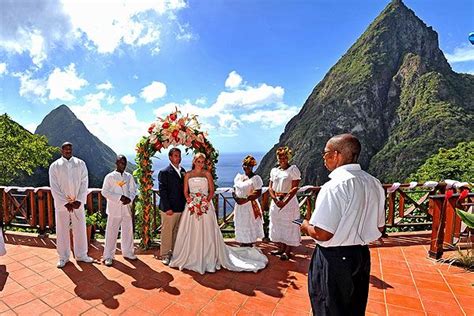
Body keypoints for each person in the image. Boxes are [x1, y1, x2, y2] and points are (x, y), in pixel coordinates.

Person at [300, 134, 385, 316]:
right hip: (361, 255)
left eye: (325, 153)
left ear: (336, 155)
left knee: (328, 308)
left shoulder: (335, 186)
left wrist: (306, 225)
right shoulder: (373, 183)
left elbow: (323, 234)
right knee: (354, 308)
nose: (323, 158)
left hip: (334, 259)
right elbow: (380, 228)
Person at [169, 153, 268, 274]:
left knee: (208, 231)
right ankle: (190, 256)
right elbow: (185, 191)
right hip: (191, 207)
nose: (200, 164)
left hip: (206, 206)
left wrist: (205, 201)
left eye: (202, 162)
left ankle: (208, 256)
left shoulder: (207, 174)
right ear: (194, 161)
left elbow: (211, 191)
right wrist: (190, 202)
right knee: (190, 231)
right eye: (198, 161)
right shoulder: (188, 174)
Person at [49, 142, 93, 268]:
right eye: (65, 149)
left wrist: (79, 200)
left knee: (80, 228)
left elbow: (84, 182)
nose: (68, 151)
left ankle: (81, 255)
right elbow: (54, 186)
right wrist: (64, 202)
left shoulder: (80, 164)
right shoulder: (55, 166)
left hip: (77, 204)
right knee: (62, 230)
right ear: (61, 150)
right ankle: (63, 257)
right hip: (62, 205)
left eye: (70, 149)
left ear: (72, 150)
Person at [101, 155, 138, 266]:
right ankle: (108, 256)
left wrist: (130, 199)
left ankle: (128, 252)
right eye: (121, 163)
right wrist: (119, 197)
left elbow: (133, 190)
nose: (123, 165)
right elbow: (105, 192)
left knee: (127, 231)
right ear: (116, 163)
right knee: (111, 233)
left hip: (126, 209)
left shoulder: (129, 177)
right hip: (114, 209)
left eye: (124, 163)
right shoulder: (110, 177)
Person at [268, 146, 301, 260]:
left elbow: (294, 188)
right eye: (280, 157)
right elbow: (270, 188)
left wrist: (284, 201)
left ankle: (288, 251)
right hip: (276, 202)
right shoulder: (274, 171)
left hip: (289, 202)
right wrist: (275, 200)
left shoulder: (293, 170)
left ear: (288, 158)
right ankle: (281, 248)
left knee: (289, 225)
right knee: (277, 224)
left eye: (284, 157)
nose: (282, 159)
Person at [158, 148, 186, 265]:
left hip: (181, 208)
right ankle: (165, 254)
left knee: (176, 232)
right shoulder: (164, 172)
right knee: (167, 232)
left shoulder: (183, 171)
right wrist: (168, 207)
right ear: (170, 157)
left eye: (179, 156)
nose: (178, 158)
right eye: (175, 155)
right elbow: (162, 192)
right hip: (169, 209)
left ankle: (174, 253)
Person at [232, 155, 264, 247]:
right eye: (245, 165)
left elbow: (258, 193)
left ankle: (249, 244)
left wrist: (244, 200)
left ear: (253, 166)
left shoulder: (256, 178)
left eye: (249, 165)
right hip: (239, 206)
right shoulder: (239, 177)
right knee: (241, 224)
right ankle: (243, 243)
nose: (247, 167)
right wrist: (236, 199)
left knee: (249, 224)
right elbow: (234, 189)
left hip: (249, 206)